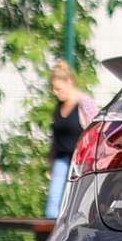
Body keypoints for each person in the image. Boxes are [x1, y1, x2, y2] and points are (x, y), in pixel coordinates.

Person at [46, 59, 99, 219]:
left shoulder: (85, 103)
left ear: (70, 82)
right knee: (54, 200)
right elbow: (56, 137)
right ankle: (50, 234)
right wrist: (51, 160)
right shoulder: (59, 106)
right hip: (62, 159)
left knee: (79, 202)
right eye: (54, 89)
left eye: (59, 89)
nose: (56, 92)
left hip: (81, 160)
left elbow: (98, 130)